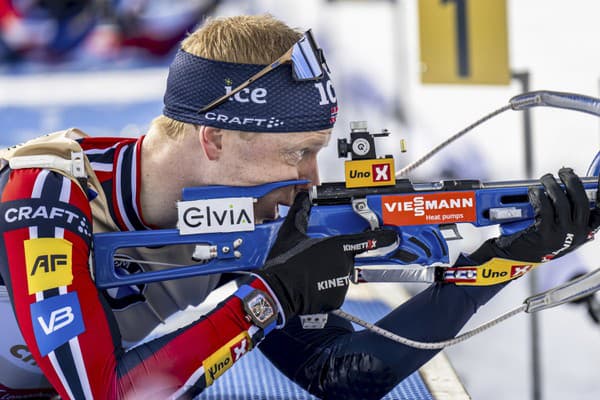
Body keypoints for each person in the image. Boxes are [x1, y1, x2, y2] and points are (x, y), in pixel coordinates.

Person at [0, 14, 598, 400]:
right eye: (298, 153)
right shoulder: (44, 196)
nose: (311, 178)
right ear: (214, 139)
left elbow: (340, 377)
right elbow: (100, 392)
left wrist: (506, 260)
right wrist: (268, 297)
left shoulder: (246, 212)